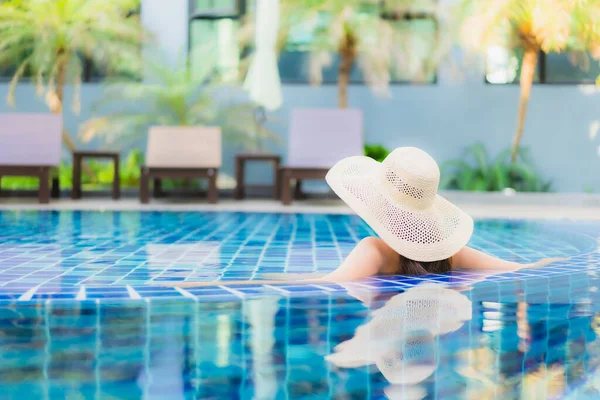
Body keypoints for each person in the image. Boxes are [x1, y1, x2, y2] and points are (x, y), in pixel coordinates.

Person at [170, 147, 565, 288]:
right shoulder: (454, 257)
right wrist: (566, 263)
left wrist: (258, 279)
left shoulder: (375, 251)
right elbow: (518, 270)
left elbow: (328, 285)